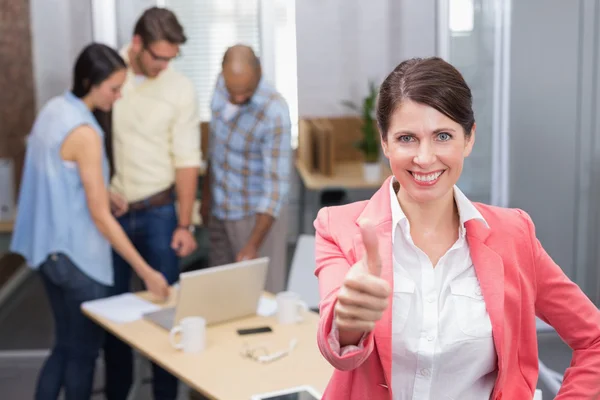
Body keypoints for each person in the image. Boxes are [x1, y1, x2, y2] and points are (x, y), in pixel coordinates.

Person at [313, 57, 600, 399]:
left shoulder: (514, 235)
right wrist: (350, 322)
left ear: (468, 139)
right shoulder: (339, 228)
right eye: (407, 138)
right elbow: (339, 355)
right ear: (385, 142)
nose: (424, 157)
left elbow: (593, 338)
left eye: (443, 136)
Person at [9, 43, 169, 400]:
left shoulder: (53, 110)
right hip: (77, 260)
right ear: (89, 81)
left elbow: (54, 175)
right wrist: (145, 271)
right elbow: (99, 217)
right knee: (82, 356)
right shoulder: (86, 132)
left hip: (47, 253)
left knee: (63, 346)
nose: (118, 95)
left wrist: (101, 191)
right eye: (113, 88)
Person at [103, 7, 201, 400]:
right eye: (158, 57)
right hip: (111, 215)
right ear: (137, 44)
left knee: (166, 316)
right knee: (113, 316)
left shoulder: (180, 89)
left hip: (161, 215)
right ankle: (117, 391)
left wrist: (184, 224)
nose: (164, 66)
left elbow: (187, 161)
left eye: (171, 58)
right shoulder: (110, 76)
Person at [201, 44, 291, 293]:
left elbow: (276, 189)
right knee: (222, 292)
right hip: (221, 208)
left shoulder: (274, 112)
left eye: (246, 91)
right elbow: (216, 146)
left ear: (259, 72)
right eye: (233, 91)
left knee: (261, 295)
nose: (238, 98)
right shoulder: (221, 85)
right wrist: (206, 197)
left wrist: (253, 244)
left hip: (256, 216)